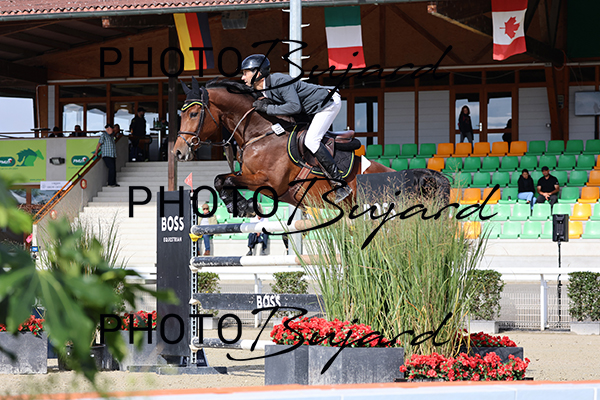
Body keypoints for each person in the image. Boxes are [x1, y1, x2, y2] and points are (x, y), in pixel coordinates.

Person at [240, 54, 352, 204]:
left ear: (258, 73)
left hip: (326, 104)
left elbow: (294, 106)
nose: (243, 77)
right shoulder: (262, 89)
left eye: (245, 73)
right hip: (308, 110)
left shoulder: (279, 81)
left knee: (311, 140)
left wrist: (268, 108)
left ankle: (339, 184)